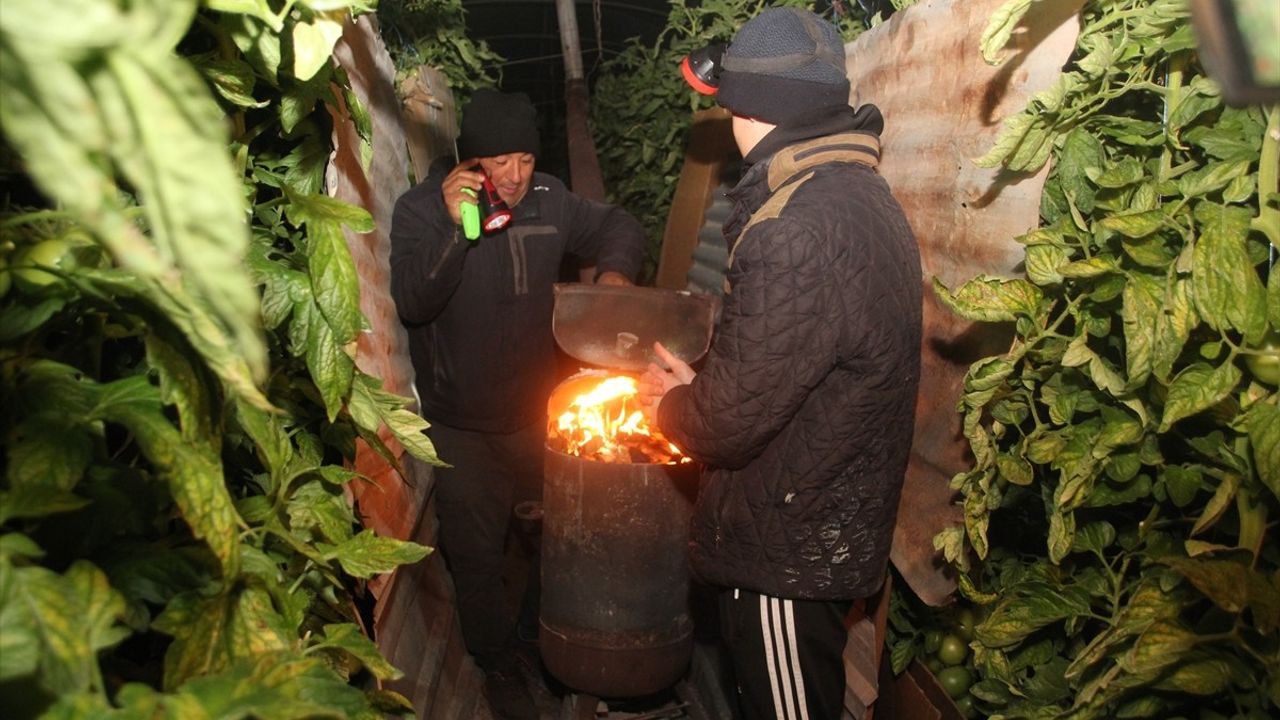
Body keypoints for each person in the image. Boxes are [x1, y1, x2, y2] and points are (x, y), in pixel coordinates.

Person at [639, 8, 922, 720]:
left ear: (751, 109)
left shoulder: (793, 229)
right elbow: (790, 368)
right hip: (821, 510)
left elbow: (729, 426)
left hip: (786, 548)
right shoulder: (858, 195)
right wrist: (705, 387)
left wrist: (670, 407)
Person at [389, 88, 645, 719]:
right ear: (469, 161)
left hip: (538, 415)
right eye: (497, 162)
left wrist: (613, 278)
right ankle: (496, 663)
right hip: (461, 425)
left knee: (560, 533)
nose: (513, 176)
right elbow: (414, 303)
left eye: (524, 159)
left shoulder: (551, 199)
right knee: (475, 555)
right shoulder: (421, 210)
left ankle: (535, 633)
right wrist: (455, 229)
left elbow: (617, 224)